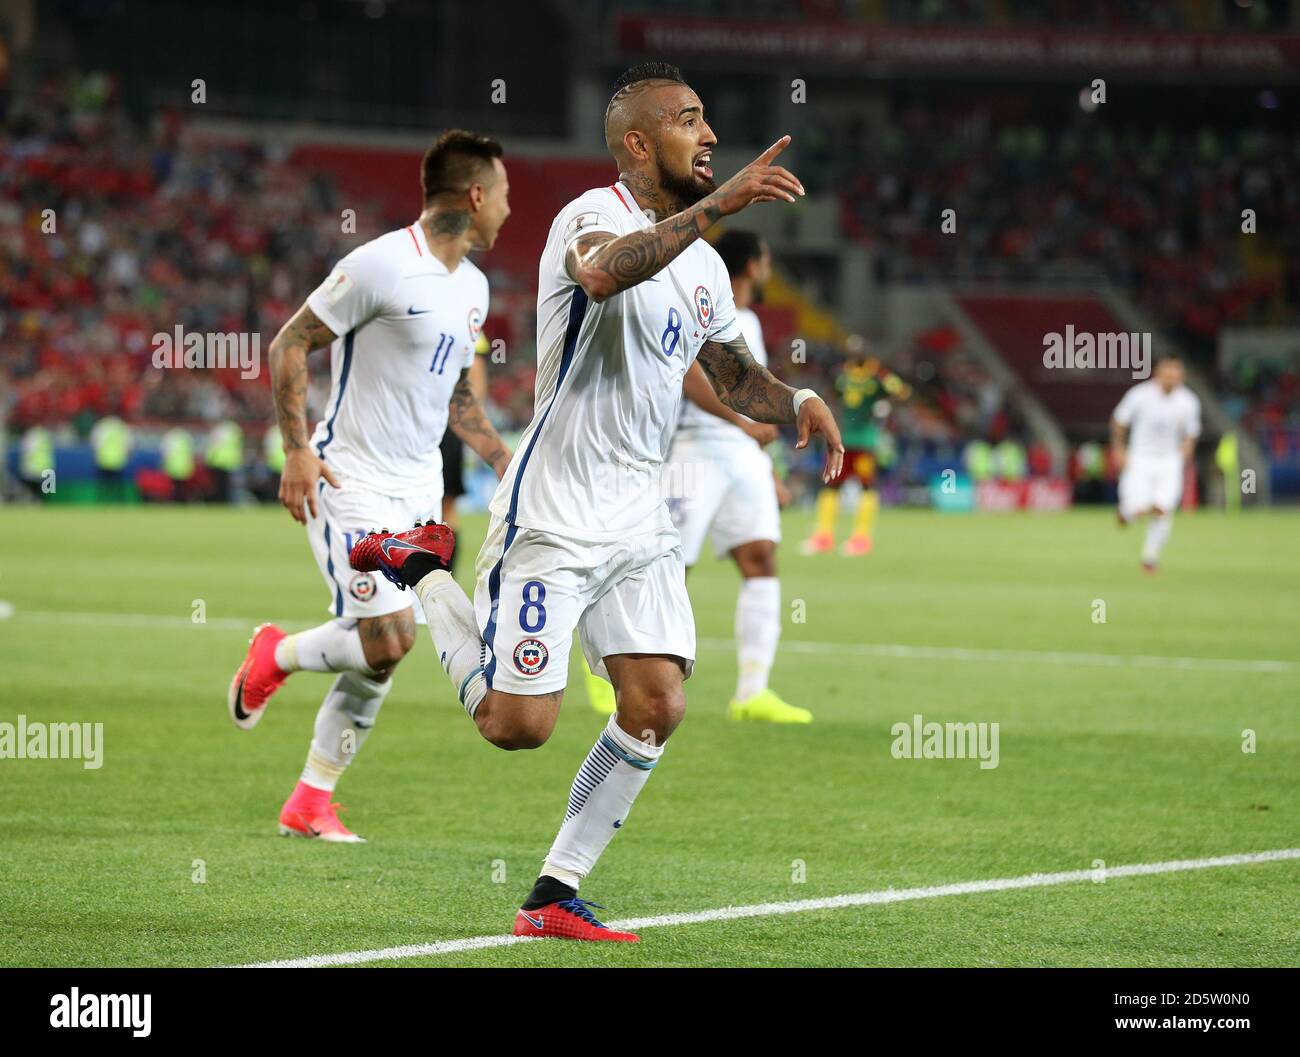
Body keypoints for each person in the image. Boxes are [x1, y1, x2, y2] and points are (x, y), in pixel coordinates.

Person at [350, 62, 843, 941]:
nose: (712, 137)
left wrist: (796, 401)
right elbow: (607, 276)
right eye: (692, 121)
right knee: (517, 725)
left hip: (640, 520)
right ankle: (423, 568)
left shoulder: (699, 272)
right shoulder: (591, 214)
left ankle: (550, 892)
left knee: (656, 703)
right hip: (553, 513)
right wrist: (720, 207)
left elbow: (733, 374)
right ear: (640, 142)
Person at [225, 130, 513, 842]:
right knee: (388, 640)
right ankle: (276, 655)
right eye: (502, 194)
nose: (508, 209)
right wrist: (296, 449)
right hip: (350, 478)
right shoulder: (382, 264)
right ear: (474, 195)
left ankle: (310, 799)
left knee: (382, 656)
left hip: (417, 486)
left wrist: (505, 460)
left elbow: (455, 396)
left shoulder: (472, 288)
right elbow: (290, 341)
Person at [597, 227, 808, 724]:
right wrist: (742, 421)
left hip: (743, 457)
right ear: (753, 266)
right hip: (694, 453)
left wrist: (766, 465)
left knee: (761, 558)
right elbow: (692, 375)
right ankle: (613, 667)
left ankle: (752, 692)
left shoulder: (749, 321)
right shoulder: (703, 304)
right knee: (667, 567)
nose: (770, 271)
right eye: (767, 261)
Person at [1111, 355, 1201, 572]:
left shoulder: (1189, 401)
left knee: (1163, 508)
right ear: (1158, 372)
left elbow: (1191, 433)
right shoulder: (1139, 395)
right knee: (1139, 507)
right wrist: (1119, 449)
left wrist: (1184, 456)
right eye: (1168, 371)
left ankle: (1149, 558)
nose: (1172, 376)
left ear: (1182, 375)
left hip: (1169, 461)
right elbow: (1119, 420)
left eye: (1176, 371)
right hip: (1140, 459)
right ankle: (1127, 513)